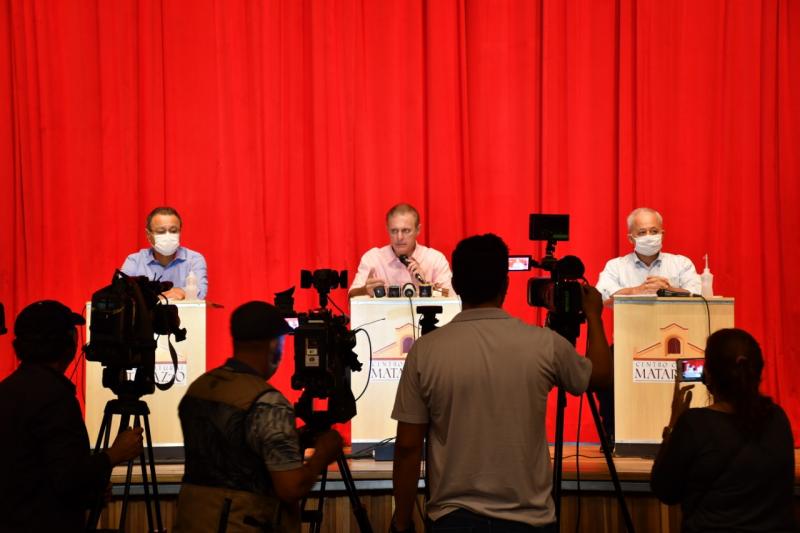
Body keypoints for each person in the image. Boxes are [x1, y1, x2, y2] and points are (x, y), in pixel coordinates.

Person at [390, 234, 612, 532]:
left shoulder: (425, 351)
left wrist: (401, 521)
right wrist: (595, 317)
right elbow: (599, 377)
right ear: (506, 285)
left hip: (452, 520)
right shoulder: (545, 344)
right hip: (530, 519)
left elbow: (407, 446)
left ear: (456, 285)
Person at [175, 301, 343, 532]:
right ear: (274, 344)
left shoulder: (199, 388)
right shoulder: (268, 402)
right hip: (241, 523)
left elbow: (232, 451)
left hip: (191, 519)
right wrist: (322, 454)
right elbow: (291, 488)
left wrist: (292, 438)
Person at [0, 300, 144, 532]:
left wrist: (90, 489)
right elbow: (68, 478)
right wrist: (113, 455)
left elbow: (36, 473)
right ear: (65, 344)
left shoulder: (8, 389)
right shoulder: (54, 397)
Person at [651, 328, 795, 532]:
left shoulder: (694, 425)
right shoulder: (778, 418)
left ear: (708, 375)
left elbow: (665, 490)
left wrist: (673, 426)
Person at [596, 207, 701, 305]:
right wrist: (637, 291)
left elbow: (696, 293)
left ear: (662, 234)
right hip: (631, 323)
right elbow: (601, 296)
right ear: (630, 238)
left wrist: (668, 290)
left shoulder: (681, 263)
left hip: (673, 324)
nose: (649, 236)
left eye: (654, 231)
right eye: (642, 232)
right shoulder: (615, 266)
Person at [349, 203, 453, 297]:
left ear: (418, 230)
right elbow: (351, 296)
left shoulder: (435, 259)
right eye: (394, 231)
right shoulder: (373, 259)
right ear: (387, 230)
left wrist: (424, 286)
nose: (399, 237)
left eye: (406, 231)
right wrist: (364, 290)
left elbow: (450, 295)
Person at [121, 206, 208, 300]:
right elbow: (121, 291)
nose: (168, 236)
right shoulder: (134, 261)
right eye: (161, 232)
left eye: (173, 231)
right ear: (148, 235)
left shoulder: (194, 259)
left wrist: (182, 292)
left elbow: (200, 291)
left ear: (180, 231)